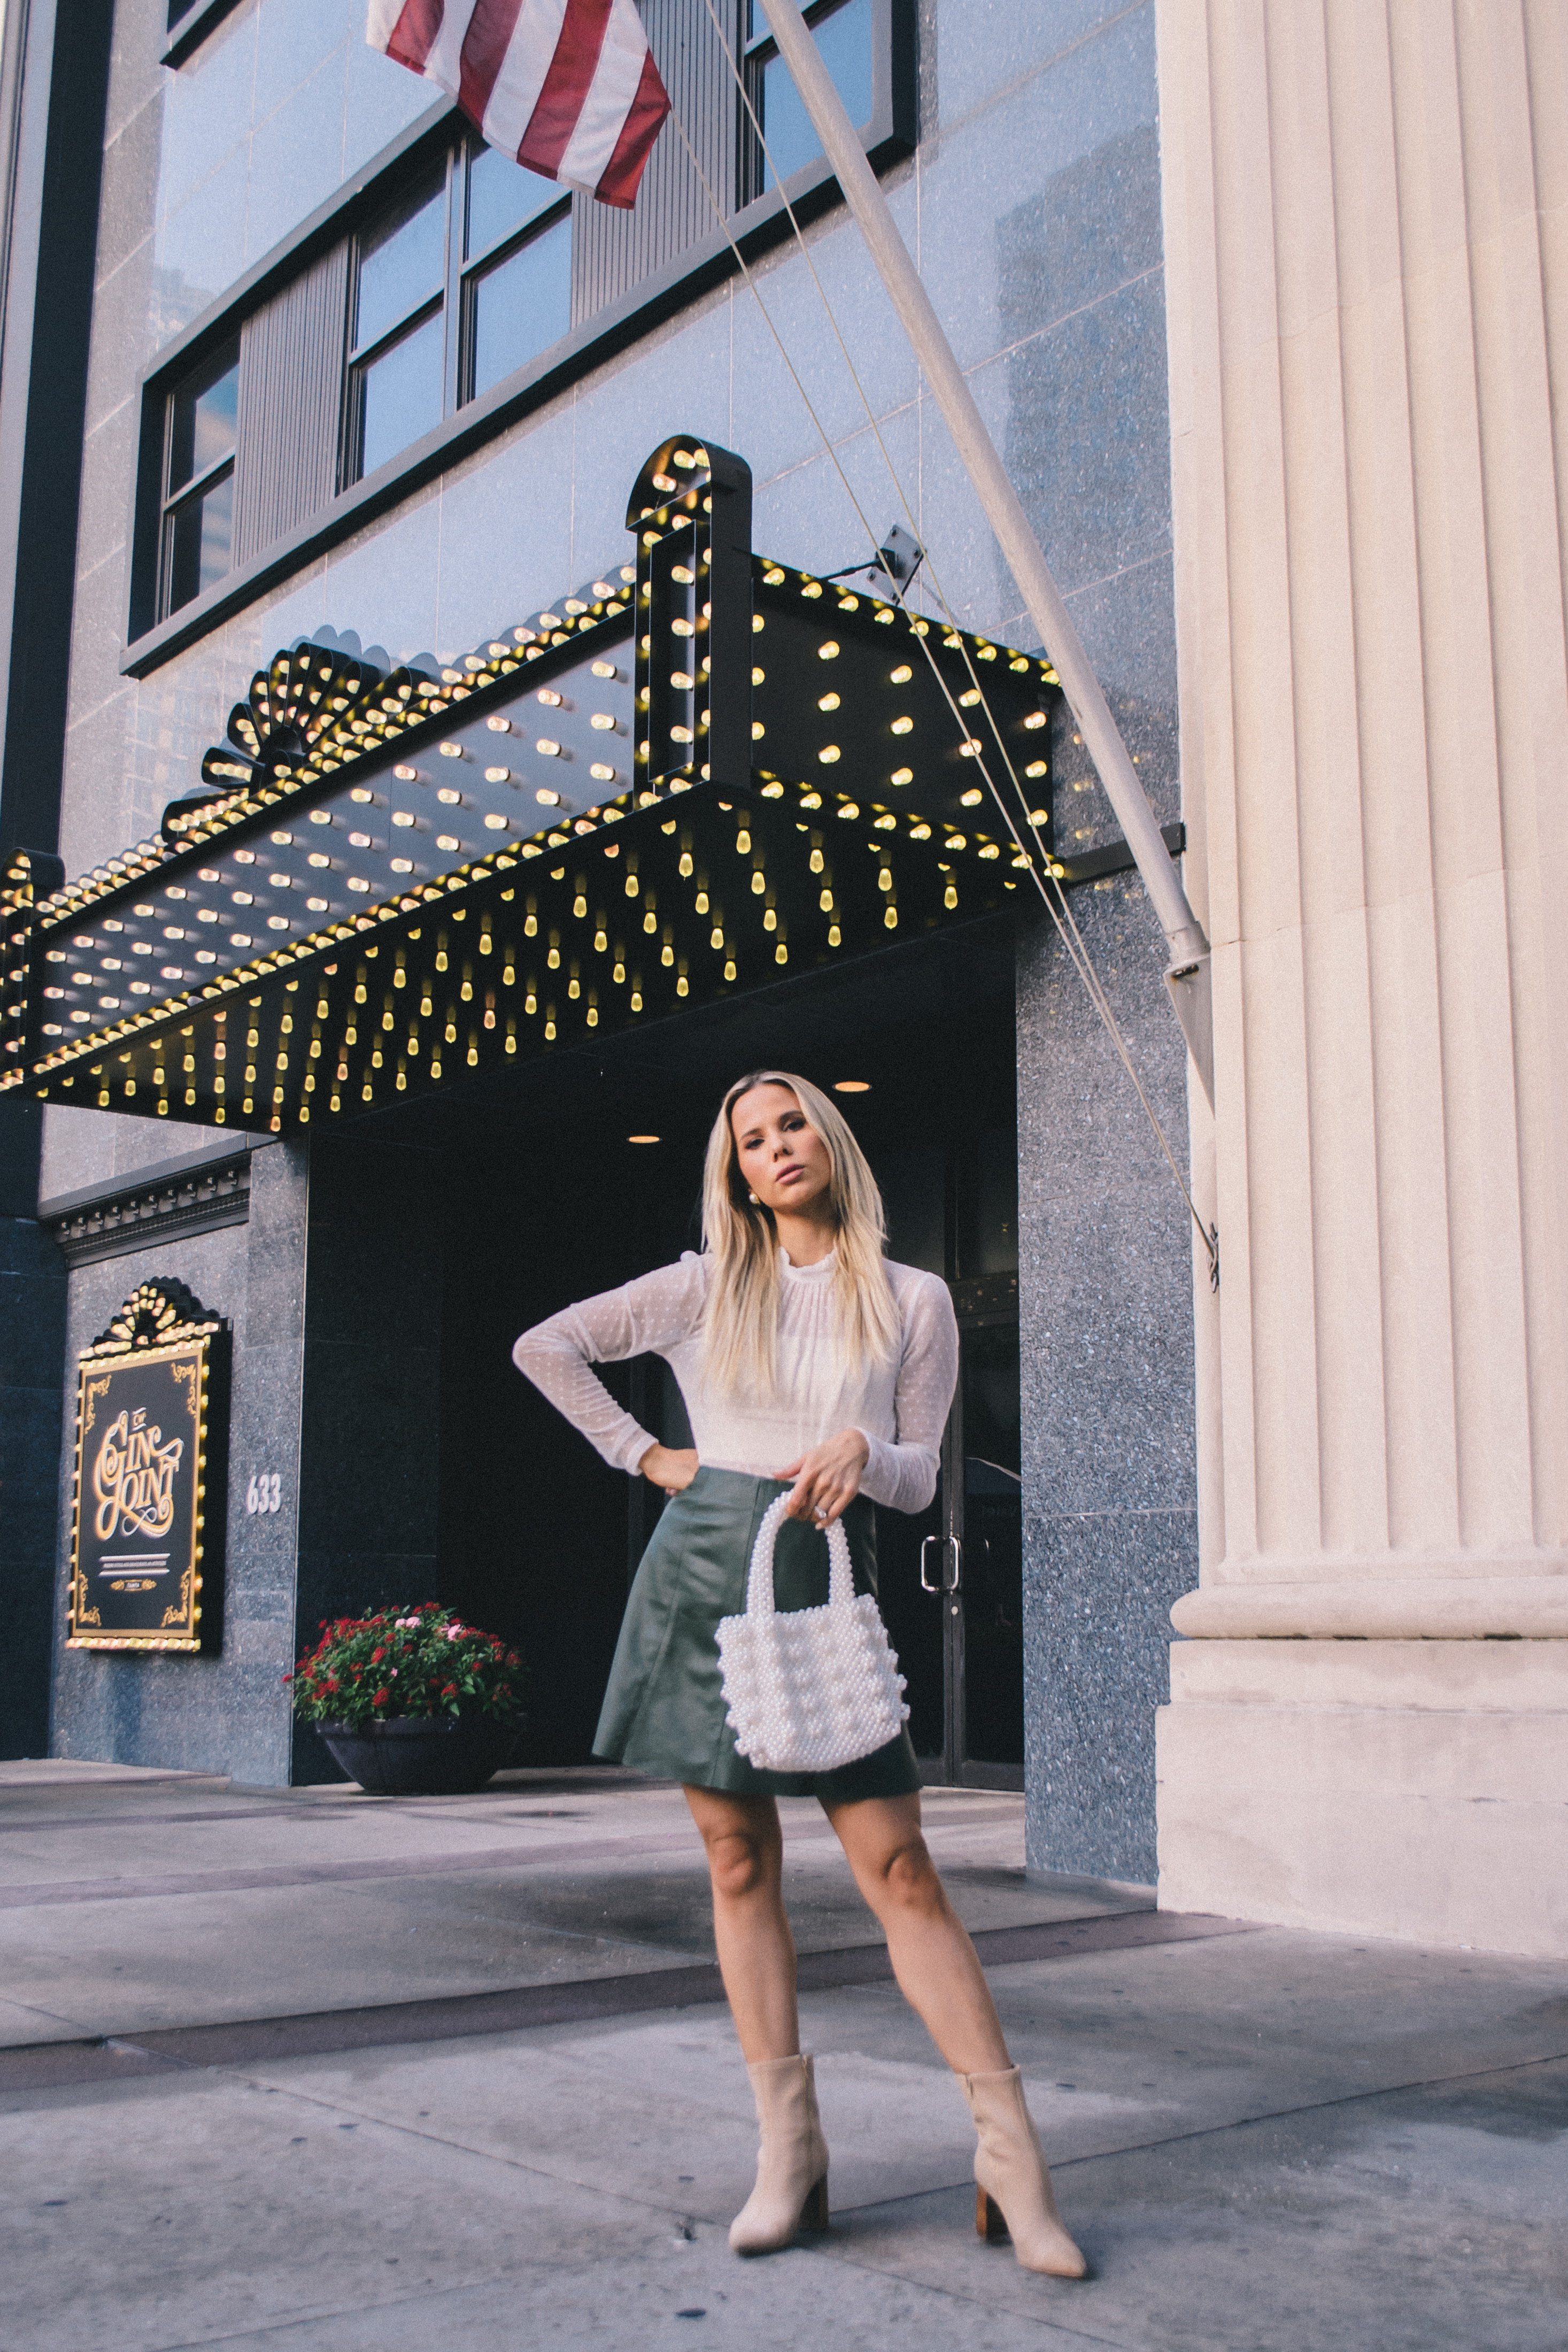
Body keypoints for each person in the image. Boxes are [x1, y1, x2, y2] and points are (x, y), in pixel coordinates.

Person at [513, 1069, 1085, 2278]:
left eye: (792, 1125)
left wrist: (864, 1450)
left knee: (902, 1867)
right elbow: (545, 1345)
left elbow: (924, 1474)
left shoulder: (912, 1295)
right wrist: (648, 1455)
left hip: (826, 1572)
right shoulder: (701, 1284)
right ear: (735, 1172)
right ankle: (790, 2155)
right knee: (736, 1862)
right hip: (703, 1568)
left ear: (830, 1139)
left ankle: (1011, 2159)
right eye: (752, 1139)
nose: (776, 1147)